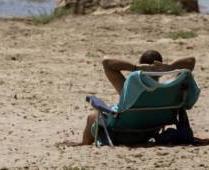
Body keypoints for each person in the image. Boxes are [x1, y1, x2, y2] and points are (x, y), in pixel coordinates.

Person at [63, 50, 196, 147]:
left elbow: (106, 62)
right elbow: (191, 61)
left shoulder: (130, 90)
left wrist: (135, 68)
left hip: (121, 133)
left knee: (93, 115)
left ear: (141, 64)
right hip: (149, 133)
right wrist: (169, 67)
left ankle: (84, 144)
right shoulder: (169, 91)